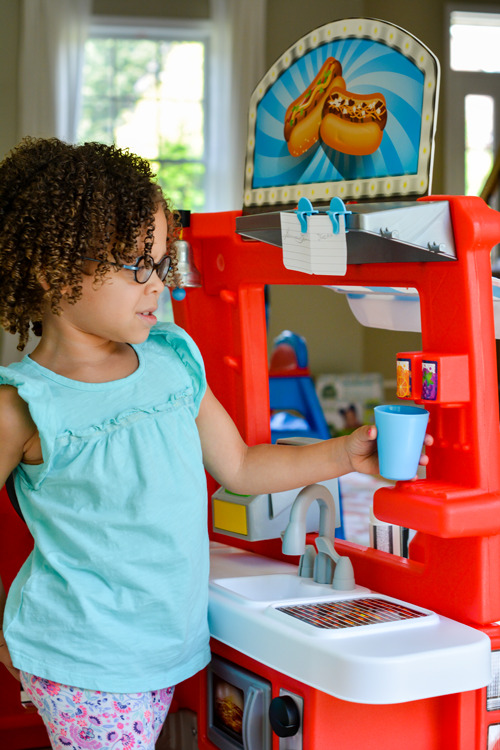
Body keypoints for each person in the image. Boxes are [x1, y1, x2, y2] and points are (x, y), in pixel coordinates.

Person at [0, 137, 431, 750]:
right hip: (80, 656)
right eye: (135, 266)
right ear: (53, 271)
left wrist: (342, 455)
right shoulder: (22, 406)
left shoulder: (173, 362)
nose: (157, 285)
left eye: (161, 263)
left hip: (161, 648)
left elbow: (242, 464)